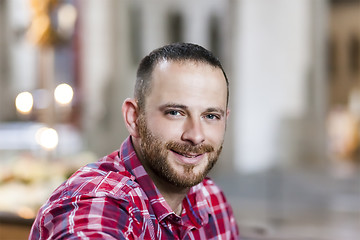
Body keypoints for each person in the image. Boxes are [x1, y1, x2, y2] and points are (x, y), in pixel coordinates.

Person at [29, 42, 240, 239]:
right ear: (134, 118)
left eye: (211, 116)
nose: (195, 135)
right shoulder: (96, 204)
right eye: (175, 112)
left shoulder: (211, 199)